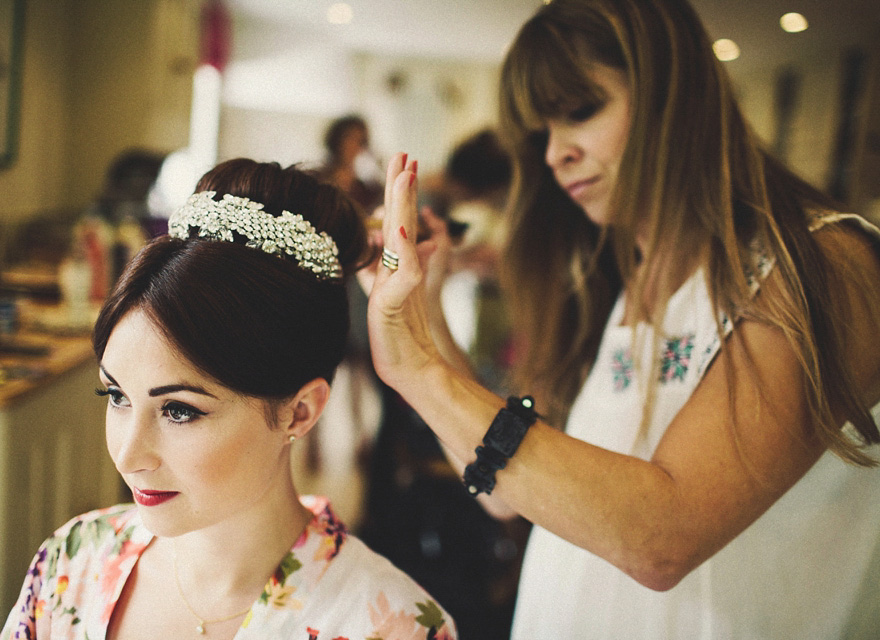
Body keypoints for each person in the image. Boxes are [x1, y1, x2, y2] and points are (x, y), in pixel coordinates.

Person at [364, 1, 880, 638]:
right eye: (543, 133)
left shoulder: (824, 263)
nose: (556, 155)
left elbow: (665, 536)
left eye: (581, 111)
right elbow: (501, 487)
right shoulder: (611, 282)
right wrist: (424, 310)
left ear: (674, 93)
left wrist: (416, 371)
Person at [0, 158, 457, 640]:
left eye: (179, 411)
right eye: (116, 396)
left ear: (299, 412)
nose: (128, 456)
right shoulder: (70, 566)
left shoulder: (394, 626)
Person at [315, 114, 384, 215]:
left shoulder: (364, 189)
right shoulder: (319, 179)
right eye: (350, 138)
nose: (354, 145)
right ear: (337, 140)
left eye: (360, 140)